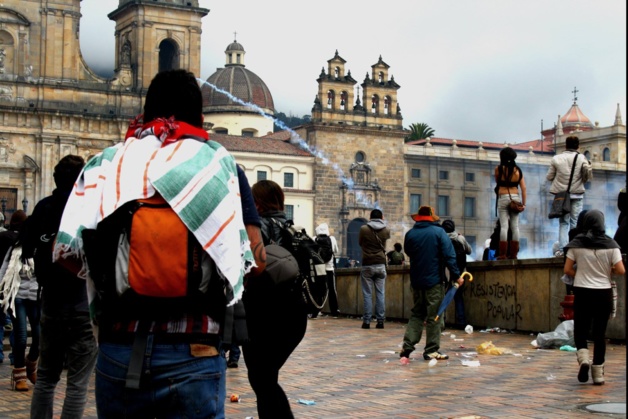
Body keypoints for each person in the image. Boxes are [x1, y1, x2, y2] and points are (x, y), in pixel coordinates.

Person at [51, 70, 254, 418]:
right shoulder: (217, 160)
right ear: (200, 117)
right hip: (194, 351)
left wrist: (115, 284)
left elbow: (66, 251)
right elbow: (245, 255)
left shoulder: (108, 161)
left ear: (145, 113)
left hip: (119, 349)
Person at [20, 155, 98, 417]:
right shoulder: (89, 208)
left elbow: (27, 246)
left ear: (55, 179)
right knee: (77, 384)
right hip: (82, 305)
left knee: (45, 379)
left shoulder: (43, 207)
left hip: (51, 302)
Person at [245, 179, 307, 418]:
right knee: (265, 377)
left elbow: (249, 265)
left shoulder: (255, 226)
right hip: (294, 311)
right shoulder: (292, 227)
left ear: (257, 203)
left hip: (263, 311)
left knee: (261, 377)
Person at [563, 210, 625, 385]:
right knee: (600, 333)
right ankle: (598, 374)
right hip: (603, 293)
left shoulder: (576, 244)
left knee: (580, 330)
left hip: (582, 291)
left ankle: (583, 359)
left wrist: (581, 273)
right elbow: (621, 270)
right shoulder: (612, 245)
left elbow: (567, 270)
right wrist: (608, 270)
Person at [400, 206, 464, 361]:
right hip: (434, 281)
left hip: (416, 281)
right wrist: (457, 276)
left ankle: (407, 346)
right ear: (431, 217)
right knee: (434, 315)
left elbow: (408, 252)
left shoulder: (410, 234)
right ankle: (431, 350)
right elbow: (450, 256)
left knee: (417, 313)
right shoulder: (439, 233)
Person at [0, 211, 39, 391]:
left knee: (38, 337)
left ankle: (31, 364)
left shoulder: (39, 250)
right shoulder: (15, 250)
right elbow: (4, 271)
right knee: (22, 336)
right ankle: (19, 374)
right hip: (18, 298)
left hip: (35, 298)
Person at [547, 135, 593, 256]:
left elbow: (549, 177)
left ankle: (562, 250)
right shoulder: (582, 158)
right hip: (577, 194)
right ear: (578, 146)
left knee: (563, 223)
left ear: (566, 145)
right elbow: (586, 177)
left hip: (561, 196)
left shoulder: (556, 158)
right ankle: (575, 249)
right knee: (575, 222)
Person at [358, 209, 390, 329]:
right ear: (382, 217)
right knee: (380, 293)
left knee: (367, 294)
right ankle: (380, 321)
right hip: (381, 264)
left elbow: (360, 243)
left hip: (367, 264)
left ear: (370, 217)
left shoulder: (363, 229)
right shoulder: (386, 229)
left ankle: (366, 322)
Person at [494, 146, 527, 260]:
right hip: (515, 197)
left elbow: (498, 182)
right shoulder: (518, 171)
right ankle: (513, 254)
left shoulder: (498, 169)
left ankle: (503, 254)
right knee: (515, 227)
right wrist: (524, 204)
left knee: (504, 226)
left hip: (503, 196)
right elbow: (524, 188)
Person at [441, 219, 472, 326]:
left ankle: (441, 321)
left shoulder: (441, 238)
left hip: (446, 272)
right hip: (460, 272)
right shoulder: (460, 238)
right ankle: (461, 321)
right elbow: (469, 251)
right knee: (458, 296)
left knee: (442, 297)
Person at [314, 222, 340, 318]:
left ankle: (316, 311)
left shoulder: (314, 239)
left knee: (318, 289)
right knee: (332, 289)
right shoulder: (332, 239)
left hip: (319, 268)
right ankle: (334, 311)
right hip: (329, 268)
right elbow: (336, 250)